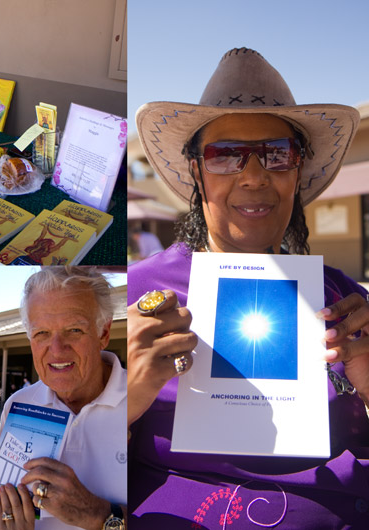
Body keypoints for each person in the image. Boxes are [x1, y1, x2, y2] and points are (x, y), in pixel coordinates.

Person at [128, 48, 369, 528]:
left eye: (277, 154)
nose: (255, 176)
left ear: (298, 171)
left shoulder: (346, 302)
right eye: (225, 155)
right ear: (197, 171)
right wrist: (124, 397)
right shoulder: (141, 294)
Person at [0, 267, 127, 530]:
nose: (56, 350)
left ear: (104, 333)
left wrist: (98, 515)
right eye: (41, 333)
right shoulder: (18, 405)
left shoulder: (146, 401)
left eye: (74, 330)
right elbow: (5, 510)